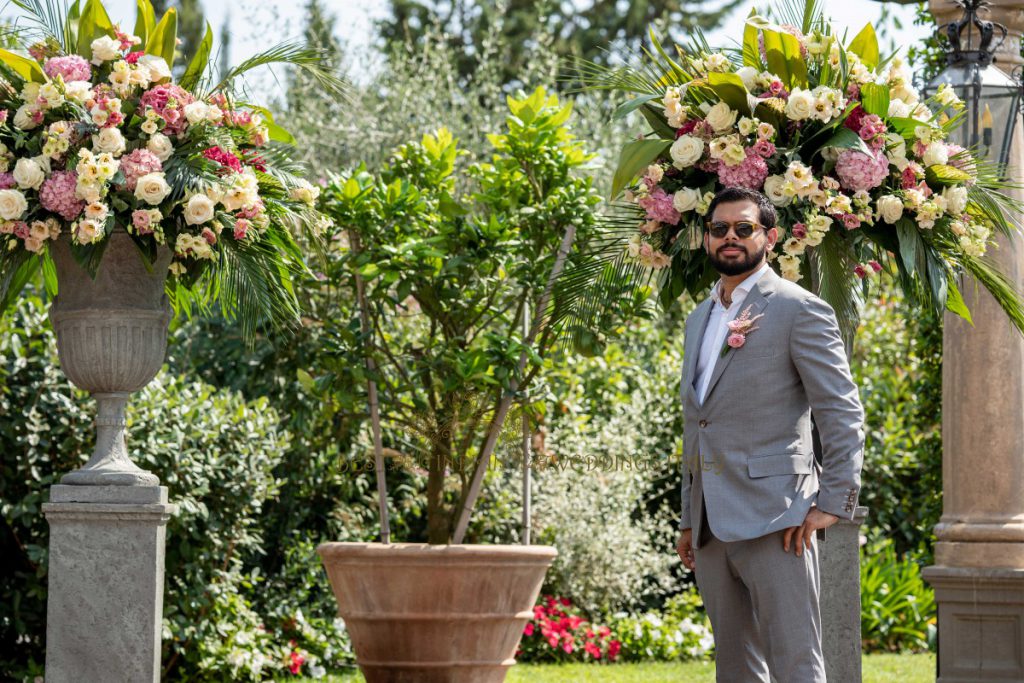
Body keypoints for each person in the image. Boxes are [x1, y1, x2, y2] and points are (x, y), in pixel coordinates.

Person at [674, 186, 865, 682]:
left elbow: (840, 410)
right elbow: (697, 423)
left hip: (780, 517)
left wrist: (833, 501)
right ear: (707, 238)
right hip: (712, 523)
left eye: (743, 228)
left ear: (770, 237)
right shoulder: (698, 319)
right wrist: (688, 515)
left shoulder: (799, 309)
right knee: (734, 668)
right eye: (719, 230)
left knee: (796, 663)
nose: (730, 238)